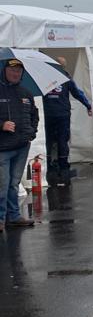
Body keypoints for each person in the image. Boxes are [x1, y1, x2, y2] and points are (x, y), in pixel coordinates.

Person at [0, 59, 38, 233]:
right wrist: (2, 125)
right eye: (12, 70)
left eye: (18, 71)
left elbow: (34, 115)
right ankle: (1, 218)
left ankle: (13, 216)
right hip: (3, 148)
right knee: (2, 184)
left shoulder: (26, 93)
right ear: (4, 71)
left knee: (14, 184)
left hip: (22, 146)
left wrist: (31, 133)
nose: (15, 74)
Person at [42, 56, 92, 186]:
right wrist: (88, 105)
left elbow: (76, 93)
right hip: (60, 115)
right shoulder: (65, 77)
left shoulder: (46, 77)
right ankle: (62, 168)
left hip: (51, 115)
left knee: (52, 141)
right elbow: (77, 93)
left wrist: (88, 105)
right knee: (61, 141)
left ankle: (53, 167)